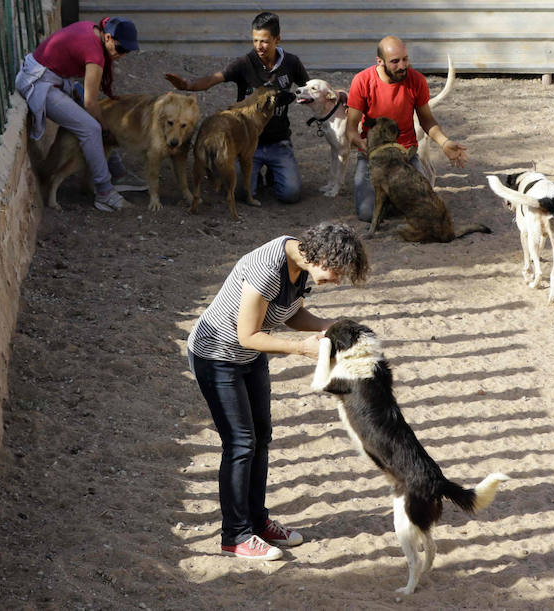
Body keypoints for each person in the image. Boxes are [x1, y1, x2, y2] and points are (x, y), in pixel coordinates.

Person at [187, 222, 369, 560]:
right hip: (217, 356)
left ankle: (257, 522)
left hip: (250, 357)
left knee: (261, 437)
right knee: (241, 444)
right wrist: (301, 349)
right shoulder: (268, 269)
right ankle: (235, 536)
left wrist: (329, 326)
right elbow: (248, 335)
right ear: (323, 256)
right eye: (338, 271)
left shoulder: (299, 266)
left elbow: (290, 313)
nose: (339, 280)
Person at [165, 12, 309, 205]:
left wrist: (337, 95)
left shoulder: (291, 62)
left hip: (278, 142)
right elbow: (214, 79)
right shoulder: (245, 63)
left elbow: (310, 87)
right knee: (240, 192)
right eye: (255, 40)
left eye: (265, 41)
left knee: (290, 195)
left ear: (277, 39)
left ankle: (274, 172)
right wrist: (188, 86)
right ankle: (255, 175)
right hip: (247, 144)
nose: (259, 46)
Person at [15, 16, 142, 212]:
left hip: (52, 76)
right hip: (39, 83)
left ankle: (118, 172)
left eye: (127, 51)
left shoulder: (93, 30)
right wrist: (105, 127)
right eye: (121, 49)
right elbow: (90, 102)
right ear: (108, 37)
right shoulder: (95, 54)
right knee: (92, 128)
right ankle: (105, 192)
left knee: (98, 117)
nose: (122, 55)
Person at [345, 36, 469, 222]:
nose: (402, 66)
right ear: (380, 62)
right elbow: (351, 129)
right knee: (367, 214)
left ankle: (391, 197)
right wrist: (360, 143)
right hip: (374, 156)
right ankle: (388, 197)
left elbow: (426, 119)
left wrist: (444, 143)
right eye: (395, 61)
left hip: (406, 155)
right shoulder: (362, 81)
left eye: (405, 59)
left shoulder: (416, 80)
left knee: (424, 210)